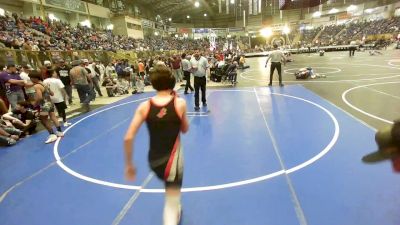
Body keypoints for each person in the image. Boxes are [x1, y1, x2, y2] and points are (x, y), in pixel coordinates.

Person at [124, 65, 189, 225]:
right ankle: (173, 210)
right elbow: (185, 129)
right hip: (172, 162)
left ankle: (175, 206)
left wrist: (129, 165)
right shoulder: (179, 103)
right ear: (172, 82)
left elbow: (128, 137)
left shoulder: (144, 106)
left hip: (154, 160)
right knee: (171, 204)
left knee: (170, 191)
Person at [29, 70, 64, 144]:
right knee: (53, 117)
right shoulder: (44, 84)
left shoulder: (36, 86)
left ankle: (52, 134)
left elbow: (40, 97)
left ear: (34, 78)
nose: (30, 80)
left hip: (44, 104)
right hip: (50, 103)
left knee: (43, 119)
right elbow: (52, 93)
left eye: (30, 78)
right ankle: (59, 131)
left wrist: (34, 103)